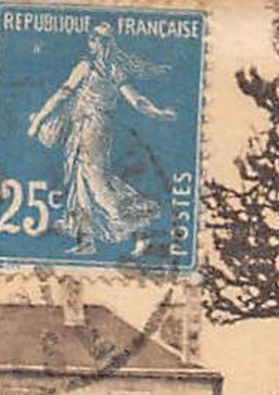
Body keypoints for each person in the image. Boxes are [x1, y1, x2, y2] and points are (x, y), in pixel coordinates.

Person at [25, 23, 177, 257]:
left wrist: (38, 122)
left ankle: (141, 230)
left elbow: (61, 94)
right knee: (82, 182)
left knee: (97, 184)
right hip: (92, 128)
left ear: (99, 42)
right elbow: (138, 101)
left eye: (96, 39)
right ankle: (87, 241)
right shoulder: (115, 70)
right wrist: (158, 113)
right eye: (93, 39)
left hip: (90, 128)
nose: (93, 43)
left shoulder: (87, 67)